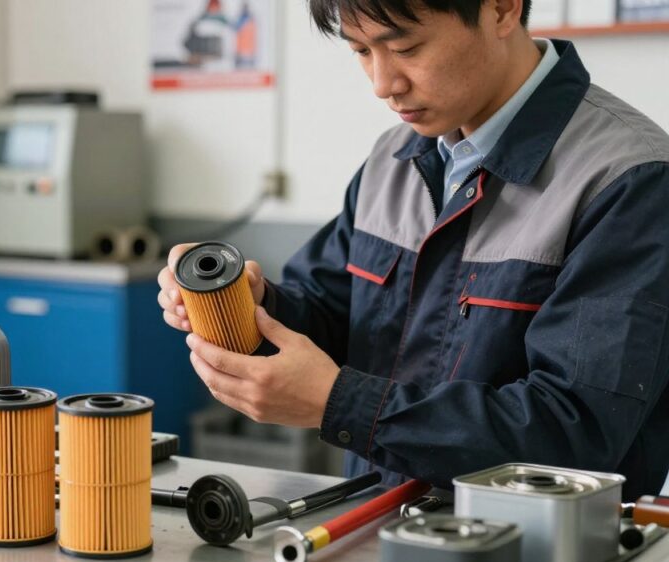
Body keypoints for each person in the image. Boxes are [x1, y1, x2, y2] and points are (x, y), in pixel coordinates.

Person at [157, 0, 669, 500]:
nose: (383, 84)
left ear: (502, 9)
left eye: (405, 46)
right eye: (360, 51)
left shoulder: (627, 179)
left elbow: (574, 433)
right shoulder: (393, 159)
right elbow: (336, 314)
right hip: (370, 525)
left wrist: (342, 404)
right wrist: (254, 306)